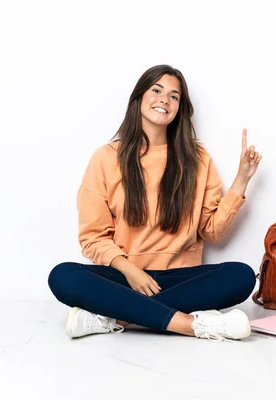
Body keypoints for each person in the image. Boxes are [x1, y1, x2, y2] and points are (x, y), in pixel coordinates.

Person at [48, 65, 262, 342]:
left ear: (180, 109)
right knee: (63, 276)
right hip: (125, 278)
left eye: (174, 96)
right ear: (139, 98)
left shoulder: (197, 158)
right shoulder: (105, 158)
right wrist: (131, 271)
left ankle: (113, 317)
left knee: (241, 276)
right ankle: (194, 326)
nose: (164, 99)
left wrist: (242, 179)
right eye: (156, 91)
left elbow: (212, 231)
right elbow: (92, 238)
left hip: (180, 278)